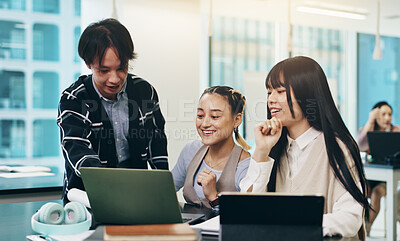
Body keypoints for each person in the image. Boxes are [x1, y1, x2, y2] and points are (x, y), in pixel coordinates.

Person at [240, 56, 370, 239]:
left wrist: (294, 224)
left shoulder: (337, 147)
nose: (271, 99)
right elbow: (247, 211)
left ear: (307, 94)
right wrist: (261, 151)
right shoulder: (275, 148)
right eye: (269, 92)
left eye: (280, 91)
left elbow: (350, 218)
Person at [57, 18, 168, 202]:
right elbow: (77, 149)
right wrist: (109, 190)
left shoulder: (144, 91)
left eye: (121, 68)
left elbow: (157, 142)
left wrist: (162, 191)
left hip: (136, 196)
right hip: (88, 198)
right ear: (88, 63)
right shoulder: (74, 99)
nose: (114, 79)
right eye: (104, 70)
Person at [172, 86, 251, 208]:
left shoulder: (246, 166)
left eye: (215, 117)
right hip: (187, 226)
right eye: (200, 115)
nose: (204, 124)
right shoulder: (191, 150)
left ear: (236, 119)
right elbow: (164, 191)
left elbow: (246, 216)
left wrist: (214, 197)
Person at [356, 101, 400, 235]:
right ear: (376, 115)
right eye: (383, 114)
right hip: (371, 177)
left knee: (377, 193)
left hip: (387, 179)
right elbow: (359, 145)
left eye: (390, 114)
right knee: (360, 191)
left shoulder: (396, 131)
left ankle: (366, 227)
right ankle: (357, 226)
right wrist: (370, 122)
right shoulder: (368, 130)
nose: (387, 118)